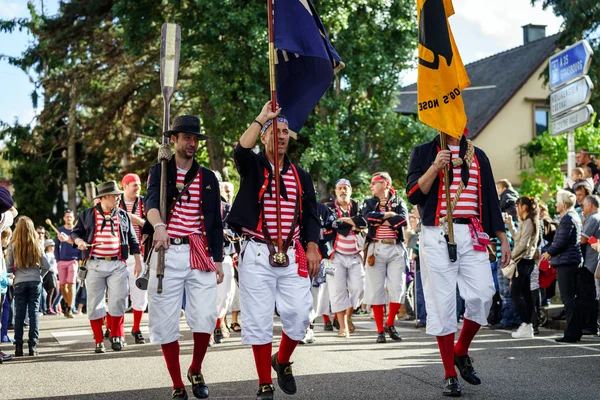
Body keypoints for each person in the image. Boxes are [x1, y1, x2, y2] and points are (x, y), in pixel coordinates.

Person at [225, 101, 320, 400]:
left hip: (291, 252)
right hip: (256, 252)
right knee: (258, 317)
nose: (279, 136)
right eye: (273, 131)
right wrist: (261, 118)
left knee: (300, 313)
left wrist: (313, 246)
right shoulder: (253, 166)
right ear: (263, 137)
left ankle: (281, 360)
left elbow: (311, 215)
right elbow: (240, 151)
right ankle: (264, 382)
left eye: (284, 132)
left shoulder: (301, 175)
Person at [406, 133, 510, 397]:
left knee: (484, 295)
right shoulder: (423, 152)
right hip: (437, 232)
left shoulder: (479, 155)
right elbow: (413, 195)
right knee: (443, 304)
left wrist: (503, 239)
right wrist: (435, 167)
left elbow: (490, 202)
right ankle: (450, 374)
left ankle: (460, 350)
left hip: (473, 233)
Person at [145, 115, 224, 400]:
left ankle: (196, 368)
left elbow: (215, 222)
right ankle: (177, 383)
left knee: (205, 315)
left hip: (199, 250)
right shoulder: (159, 171)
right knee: (165, 320)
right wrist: (160, 226)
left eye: (195, 139)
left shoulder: (208, 178)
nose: (192, 143)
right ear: (174, 140)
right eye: (186, 138)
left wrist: (218, 259)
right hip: (165, 251)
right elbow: (151, 204)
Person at [71, 181, 142, 353]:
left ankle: (117, 335)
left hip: (117, 264)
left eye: (118, 195)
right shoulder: (87, 214)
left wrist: (138, 262)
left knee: (118, 300)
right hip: (94, 264)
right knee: (95, 302)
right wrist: (79, 241)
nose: (118, 198)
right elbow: (75, 232)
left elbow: (133, 240)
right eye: (114, 195)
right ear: (103, 198)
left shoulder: (123, 215)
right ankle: (98, 340)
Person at [361, 172, 408, 343]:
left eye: (374, 182)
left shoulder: (399, 201)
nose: (371, 186)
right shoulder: (369, 202)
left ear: (386, 184)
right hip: (376, 248)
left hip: (395, 248)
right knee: (376, 289)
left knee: (399, 288)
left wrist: (381, 219)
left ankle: (389, 323)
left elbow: (403, 220)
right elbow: (368, 218)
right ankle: (380, 330)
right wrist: (388, 215)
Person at [325, 179, 367, 337]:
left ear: (351, 190)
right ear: (336, 191)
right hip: (333, 256)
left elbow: (364, 222)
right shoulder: (329, 207)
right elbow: (329, 224)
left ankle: (348, 315)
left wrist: (343, 222)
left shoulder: (358, 205)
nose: (343, 191)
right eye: (340, 188)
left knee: (360, 288)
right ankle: (343, 327)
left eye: (346, 188)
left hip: (355, 254)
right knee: (336, 291)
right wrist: (353, 223)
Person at [541, 190, 582, 343]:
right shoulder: (572, 217)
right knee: (572, 298)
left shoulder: (568, 218)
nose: (556, 204)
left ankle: (571, 333)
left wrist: (548, 252)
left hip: (567, 262)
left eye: (558, 201)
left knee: (568, 298)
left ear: (563, 204)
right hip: (571, 260)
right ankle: (574, 331)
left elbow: (561, 241)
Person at [8, 217, 51, 357]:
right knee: (34, 313)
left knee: (19, 314)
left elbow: (9, 268)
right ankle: (32, 346)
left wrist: (16, 275)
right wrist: (40, 275)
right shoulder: (37, 244)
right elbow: (47, 265)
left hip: (20, 281)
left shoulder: (13, 245)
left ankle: (18, 347)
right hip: (35, 281)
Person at [119, 173, 148, 345]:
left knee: (140, 293)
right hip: (120, 255)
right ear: (125, 186)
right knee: (118, 293)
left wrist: (135, 219)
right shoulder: (115, 201)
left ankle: (136, 328)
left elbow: (151, 224)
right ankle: (117, 329)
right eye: (134, 185)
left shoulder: (144, 202)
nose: (138, 188)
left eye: (138, 185)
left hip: (140, 256)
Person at [505, 197, 540, 339]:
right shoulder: (527, 222)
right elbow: (518, 239)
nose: (516, 208)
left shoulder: (529, 222)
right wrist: (510, 225)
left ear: (524, 207)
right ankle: (528, 326)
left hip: (522, 262)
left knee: (515, 293)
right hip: (526, 261)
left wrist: (510, 257)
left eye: (517, 205)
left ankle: (526, 324)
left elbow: (523, 245)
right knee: (525, 293)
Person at [578, 195, 600, 335]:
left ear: (590, 205)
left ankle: (591, 325)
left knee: (588, 295)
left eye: (585, 205)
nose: (583, 208)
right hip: (593, 260)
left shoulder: (593, 218)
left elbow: (583, 239)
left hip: (591, 261)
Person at [55, 210, 81, 318]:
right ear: (64, 218)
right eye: (67, 217)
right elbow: (56, 246)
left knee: (71, 284)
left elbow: (80, 244)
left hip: (73, 260)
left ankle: (70, 307)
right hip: (62, 261)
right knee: (62, 286)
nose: (69, 219)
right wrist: (58, 259)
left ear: (73, 218)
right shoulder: (60, 230)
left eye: (70, 217)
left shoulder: (77, 230)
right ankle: (67, 304)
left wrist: (80, 260)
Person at [42, 239, 58, 315]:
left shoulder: (53, 254)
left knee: (56, 292)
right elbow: (47, 265)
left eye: (53, 246)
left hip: (54, 273)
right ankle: (48, 308)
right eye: (51, 246)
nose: (52, 247)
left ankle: (50, 306)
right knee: (51, 291)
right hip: (49, 273)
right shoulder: (47, 255)